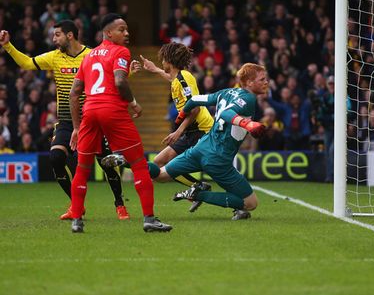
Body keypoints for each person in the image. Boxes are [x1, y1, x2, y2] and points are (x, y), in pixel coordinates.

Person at [0, 21, 130, 220]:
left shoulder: (92, 55)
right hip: (66, 120)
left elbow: (112, 76)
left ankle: (120, 205)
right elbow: (27, 63)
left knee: (105, 163)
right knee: (56, 158)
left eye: (57, 35)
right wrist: (8, 46)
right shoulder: (54, 57)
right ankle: (76, 206)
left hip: (93, 118)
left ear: (70, 35)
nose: (53, 39)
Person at [107, 63, 268, 221]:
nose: (266, 82)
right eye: (262, 79)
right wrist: (247, 123)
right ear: (249, 82)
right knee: (250, 202)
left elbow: (195, 100)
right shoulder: (248, 99)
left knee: (161, 175)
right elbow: (227, 113)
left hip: (200, 148)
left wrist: (182, 113)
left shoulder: (226, 92)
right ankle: (198, 194)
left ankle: (125, 160)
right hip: (219, 158)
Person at [68, 13, 171, 233]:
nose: (127, 33)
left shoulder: (88, 56)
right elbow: (119, 80)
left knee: (82, 167)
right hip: (112, 109)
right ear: (108, 33)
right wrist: (133, 103)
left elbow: (74, 93)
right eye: (122, 30)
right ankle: (149, 219)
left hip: (90, 111)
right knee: (139, 165)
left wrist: (76, 127)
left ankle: (77, 220)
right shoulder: (120, 51)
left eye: (126, 29)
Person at [134, 42, 215, 212]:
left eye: (163, 59)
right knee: (158, 162)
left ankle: (238, 203)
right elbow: (171, 78)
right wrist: (155, 69)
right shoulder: (178, 78)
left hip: (202, 129)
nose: (161, 61)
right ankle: (198, 186)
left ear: (169, 60)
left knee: (215, 167)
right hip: (190, 130)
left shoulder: (184, 77)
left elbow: (195, 108)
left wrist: (178, 132)